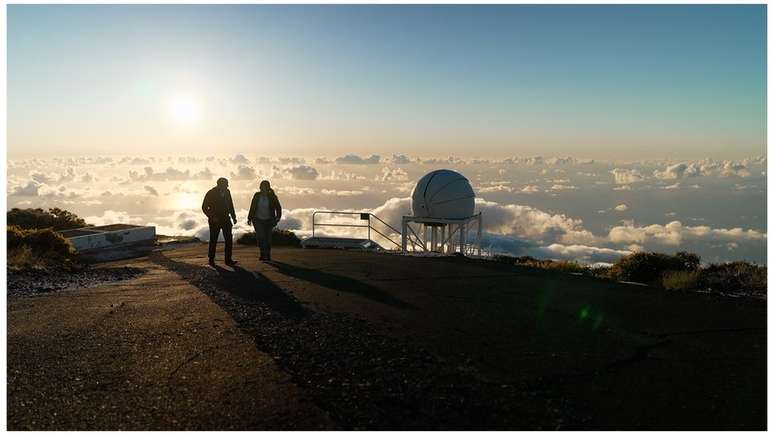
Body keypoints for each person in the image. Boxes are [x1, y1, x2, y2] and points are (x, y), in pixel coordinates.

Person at [202, 177, 238, 266]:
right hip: (215, 220)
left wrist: (234, 217)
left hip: (226, 219)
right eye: (226, 184)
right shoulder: (211, 193)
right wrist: (212, 217)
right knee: (213, 240)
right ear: (220, 184)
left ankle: (228, 260)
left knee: (229, 240)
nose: (228, 186)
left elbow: (230, 204)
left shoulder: (227, 192)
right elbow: (204, 207)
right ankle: (211, 259)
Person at [247, 180, 282, 262]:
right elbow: (252, 207)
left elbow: (278, 207)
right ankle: (262, 254)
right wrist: (249, 218)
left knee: (268, 238)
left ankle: (268, 254)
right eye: (262, 187)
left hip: (269, 220)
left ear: (268, 188)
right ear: (260, 187)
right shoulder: (257, 195)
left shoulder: (272, 196)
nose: (263, 189)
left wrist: (278, 217)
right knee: (261, 237)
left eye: (265, 187)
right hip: (257, 219)